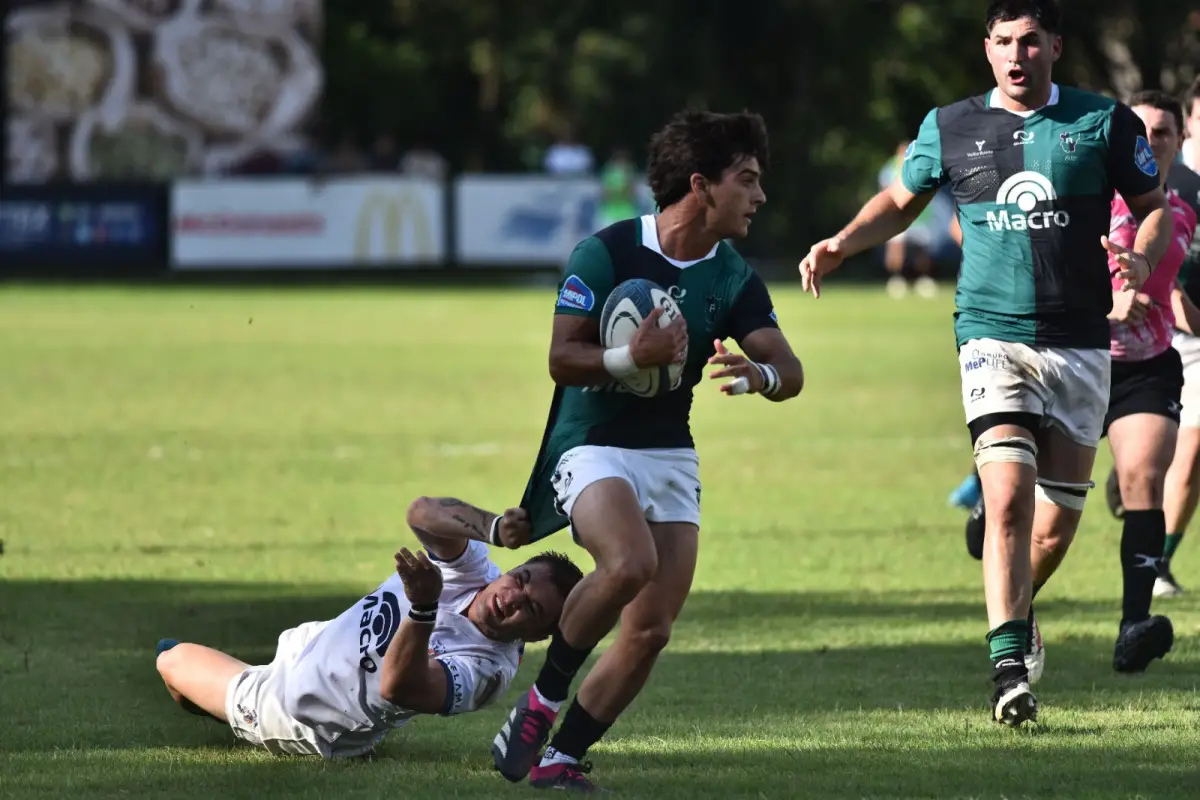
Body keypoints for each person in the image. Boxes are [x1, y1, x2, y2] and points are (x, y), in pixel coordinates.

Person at [798, 0, 1173, 727]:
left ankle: (1019, 613)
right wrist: (842, 243)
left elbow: (1153, 204)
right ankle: (1007, 668)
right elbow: (901, 202)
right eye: (1003, 42)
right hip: (991, 337)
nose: (1016, 55)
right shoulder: (951, 125)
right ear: (987, 48)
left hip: (1079, 343)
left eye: (1030, 42)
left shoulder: (1103, 122)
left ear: (1055, 47)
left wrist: (1141, 255)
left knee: (1055, 525)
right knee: (1004, 498)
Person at [490, 109, 805, 792]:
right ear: (701, 184)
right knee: (629, 562)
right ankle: (539, 705)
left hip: (669, 451)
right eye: (746, 181)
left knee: (652, 629)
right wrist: (630, 354)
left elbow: (792, 370)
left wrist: (762, 375)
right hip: (592, 441)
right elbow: (561, 359)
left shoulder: (732, 276)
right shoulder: (605, 253)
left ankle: (560, 759)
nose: (760, 196)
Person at [154, 497, 582, 759]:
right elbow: (423, 514)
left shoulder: (487, 672)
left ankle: (223, 708)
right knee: (188, 664)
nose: (513, 596)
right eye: (521, 579)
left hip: (300, 713)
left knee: (171, 657)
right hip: (312, 646)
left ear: (537, 635)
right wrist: (492, 527)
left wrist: (423, 607)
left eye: (532, 608)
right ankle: (217, 698)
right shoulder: (475, 570)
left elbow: (398, 688)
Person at [1110, 80, 1200, 598]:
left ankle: (1137, 617)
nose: (1151, 140)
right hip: (1081, 354)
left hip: (1155, 358)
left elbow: (1177, 293)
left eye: (1161, 131)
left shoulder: (1183, 211)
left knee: (1167, 465)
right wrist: (1108, 305)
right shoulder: (1095, 199)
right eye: (1140, 130)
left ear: (1177, 134)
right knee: (1049, 515)